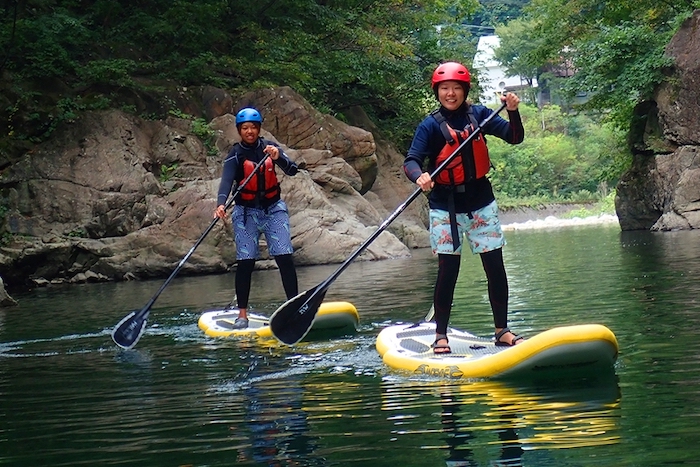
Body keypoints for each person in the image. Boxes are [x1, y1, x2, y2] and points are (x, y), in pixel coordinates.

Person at [403, 61, 525, 354]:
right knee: (448, 270)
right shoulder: (430, 125)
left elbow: (514, 136)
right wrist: (419, 175)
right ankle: (440, 334)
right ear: (438, 92)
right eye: (444, 88)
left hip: (481, 201)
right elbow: (411, 160)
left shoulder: (480, 115)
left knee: (495, 267)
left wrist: (512, 111)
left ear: (464, 90)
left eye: (456, 88)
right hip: (445, 205)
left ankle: (502, 331)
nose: (450, 93)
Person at [214, 107, 300, 329]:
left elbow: (292, 170)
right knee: (245, 263)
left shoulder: (269, 147)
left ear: (259, 128)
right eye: (245, 128)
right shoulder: (235, 154)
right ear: (239, 131)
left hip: (273, 209)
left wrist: (278, 156)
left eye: (253, 127)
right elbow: (226, 182)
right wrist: (221, 204)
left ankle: (294, 307)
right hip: (245, 213)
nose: (249, 131)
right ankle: (242, 314)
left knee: (284, 258)